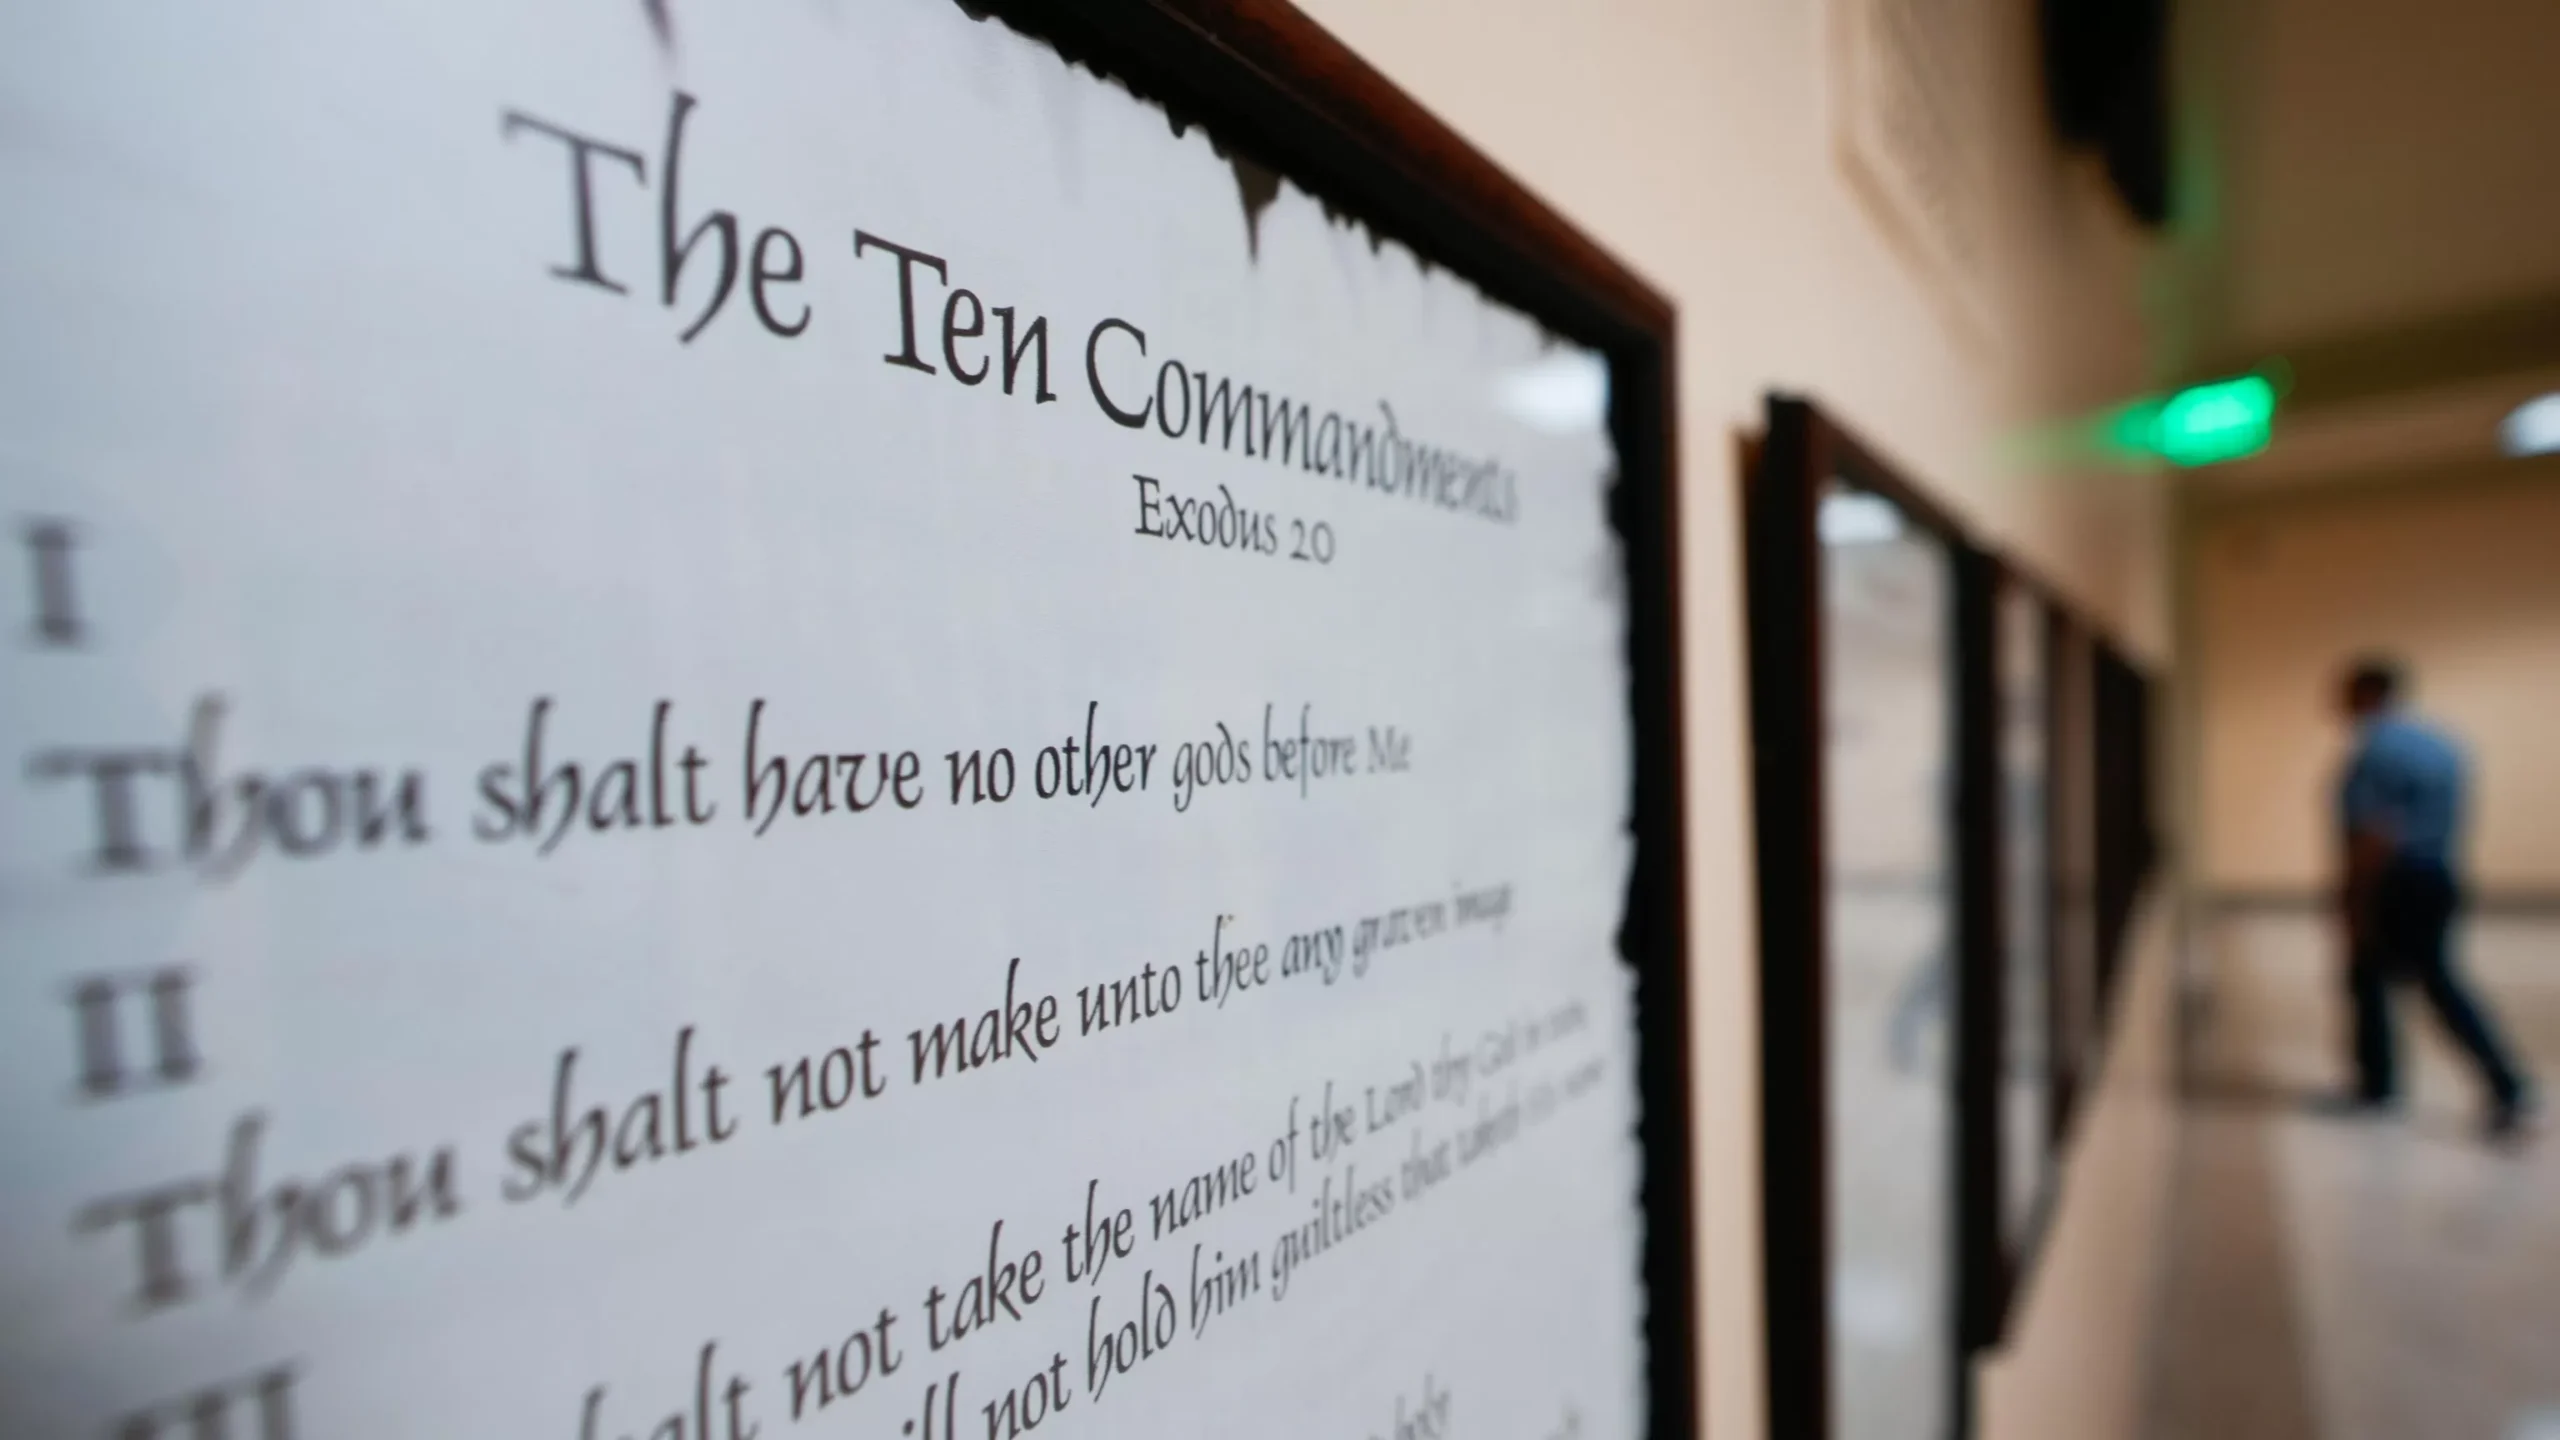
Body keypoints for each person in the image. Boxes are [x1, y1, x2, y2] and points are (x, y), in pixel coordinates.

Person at [2333, 656, 2533, 1140]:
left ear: (2368, 693)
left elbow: (2375, 832)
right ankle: (2378, 1085)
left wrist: (2356, 900)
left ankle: (2506, 1085)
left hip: (2394, 882)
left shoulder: (2376, 749)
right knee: (2378, 980)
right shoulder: (2441, 743)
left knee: (2426, 982)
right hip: (2437, 875)